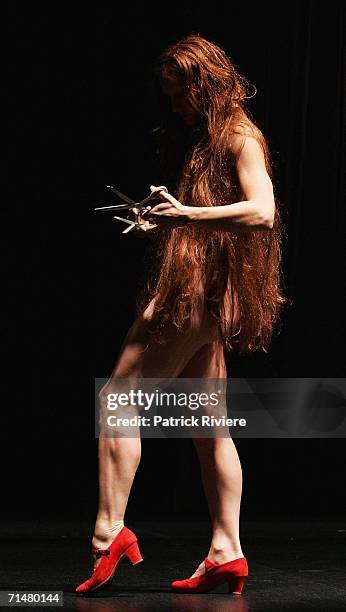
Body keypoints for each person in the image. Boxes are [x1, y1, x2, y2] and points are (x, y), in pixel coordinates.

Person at [76, 34, 287, 596]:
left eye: (178, 94)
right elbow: (211, 218)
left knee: (117, 399)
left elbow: (262, 212)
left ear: (205, 84)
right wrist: (166, 220)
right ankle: (227, 550)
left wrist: (185, 215)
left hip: (196, 292)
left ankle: (108, 531)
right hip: (211, 293)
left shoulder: (240, 135)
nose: (174, 106)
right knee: (208, 426)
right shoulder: (214, 136)